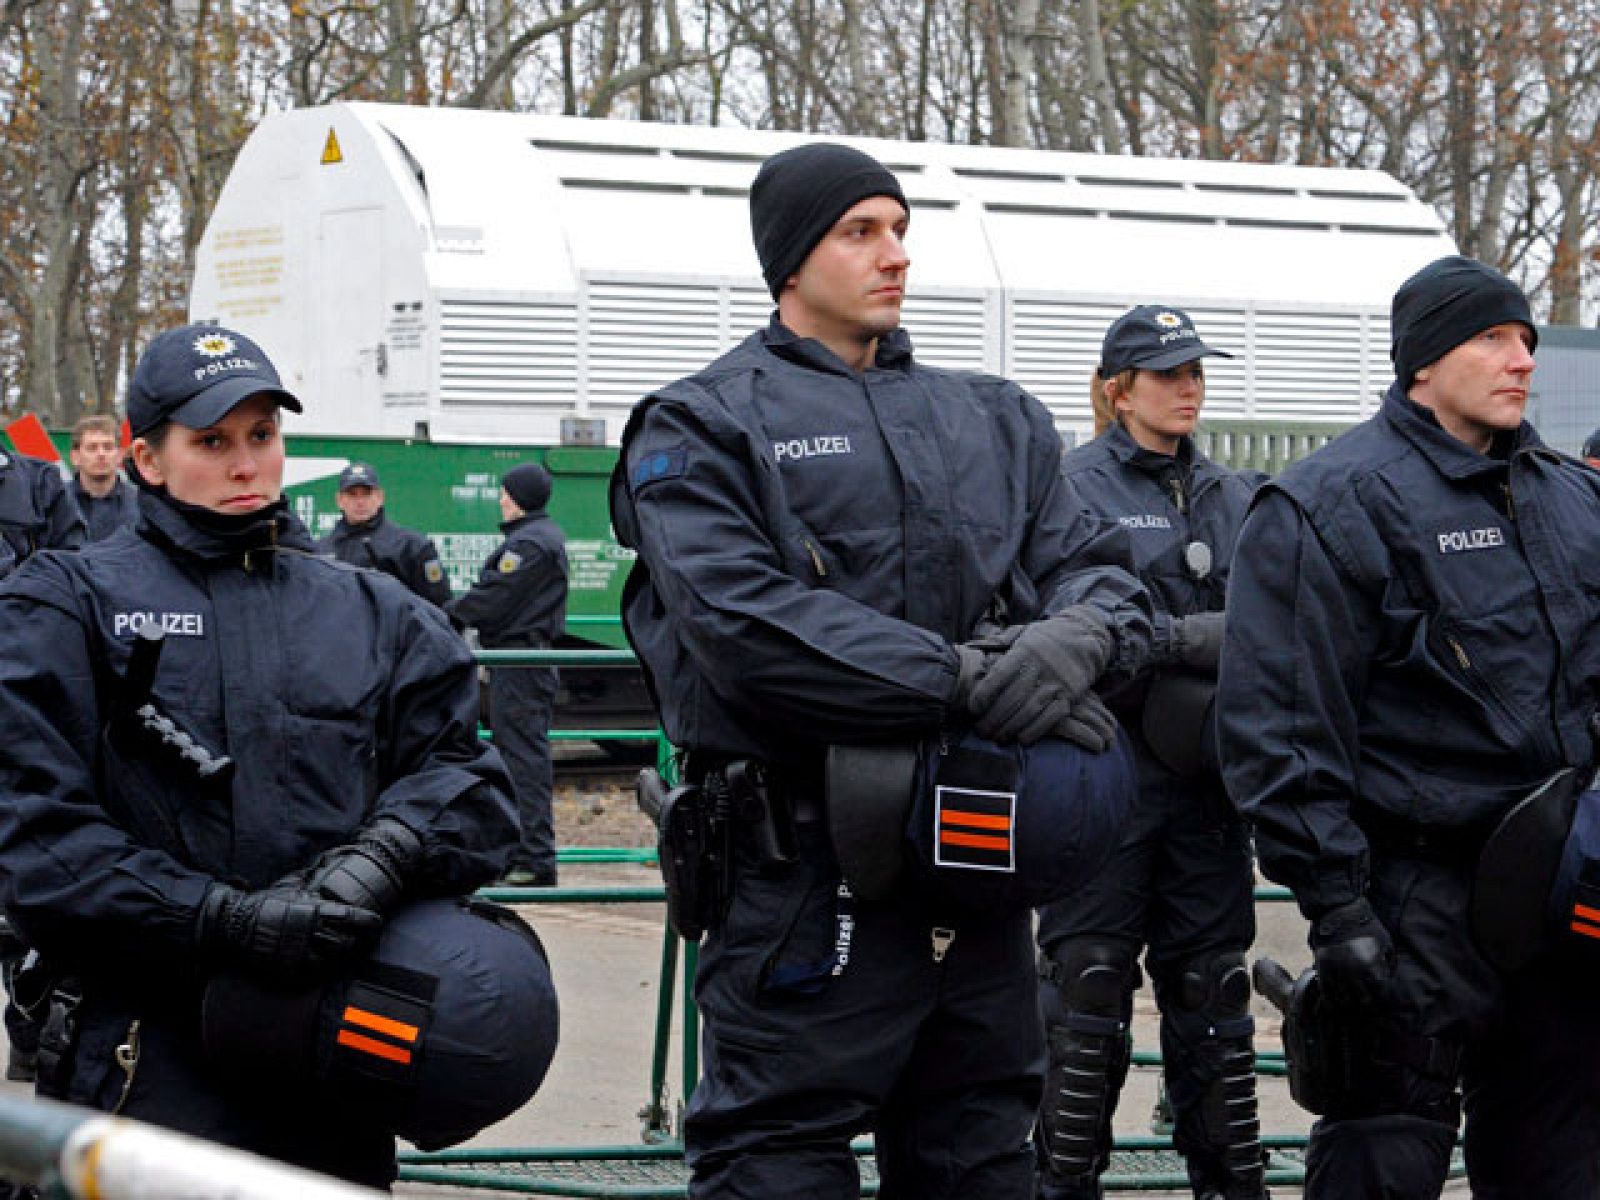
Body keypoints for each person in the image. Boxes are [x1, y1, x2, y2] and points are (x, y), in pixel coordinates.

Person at [610, 141, 1154, 1199]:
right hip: (799, 883)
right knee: (776, 1164)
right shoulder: (704, 420)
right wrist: (962, 677)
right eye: (859, 231)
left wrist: (1074, 641)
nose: (893, 254)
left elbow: (1098, 574)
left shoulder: (993, 417)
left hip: (984, 877)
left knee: (984, 1154)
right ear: (790, 259)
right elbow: (746, 625)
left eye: (900, 229)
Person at [0, 322, 518, 1189]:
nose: (246, 465)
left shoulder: (377, 613)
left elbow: (470, 786)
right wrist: (219, 917)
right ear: (147, 460)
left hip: (329, 1061)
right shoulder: (62, 606)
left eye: (262, 436)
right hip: (136, 1068)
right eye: (212, 441)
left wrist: (382, 857)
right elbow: (34, 843)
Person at [1218, 255, 1600, 1197]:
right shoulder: (1325, 504)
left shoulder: (1575, 500)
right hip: (1408, 900)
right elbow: (1281, 727)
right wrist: (1337, 913)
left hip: (1560, 895)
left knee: (1568, 1160)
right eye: (1490, 338)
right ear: (1422, 362)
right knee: (1382, 1161)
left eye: (1525, 339)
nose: (1520, 360)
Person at [1036, 306, 1266, 1200]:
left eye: (1196, 371)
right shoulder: (1074, 487)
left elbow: (1268, 623)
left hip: (1207, 787)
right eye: (1167, 373)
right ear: (1117, 389)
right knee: (1085, 996)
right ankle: (1060, 1186)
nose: (1188, 387)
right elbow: (1080, 627)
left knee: (1214, 997)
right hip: (1104, 780)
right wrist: (1189, 637)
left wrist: (1168, 636)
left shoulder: (1231, 492)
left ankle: (1229, 1184)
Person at [448, 463, 568, 888]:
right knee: (519, 756)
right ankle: (525, 854)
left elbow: (497, 597)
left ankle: (535, 860)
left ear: (521, 497)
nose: (501, 498)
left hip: (521, 662)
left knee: (522, 761)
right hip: (518, 660)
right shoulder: (534, 538)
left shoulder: (531, 543)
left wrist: (447, 613)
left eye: (506, 492)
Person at [317, 461, 452, 607]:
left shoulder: (411, 546)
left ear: (380, 497)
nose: (360, 502)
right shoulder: (321, 551)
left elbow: (438, 606)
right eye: (352, 494)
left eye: (366, 494)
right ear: (339, 500)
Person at [68, 414, 138, 541]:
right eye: (92, 448)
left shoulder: (141, 503)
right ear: (75, 457)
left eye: (108, 447)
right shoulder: (56, 503)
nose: (101, 454)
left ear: (119, 455)